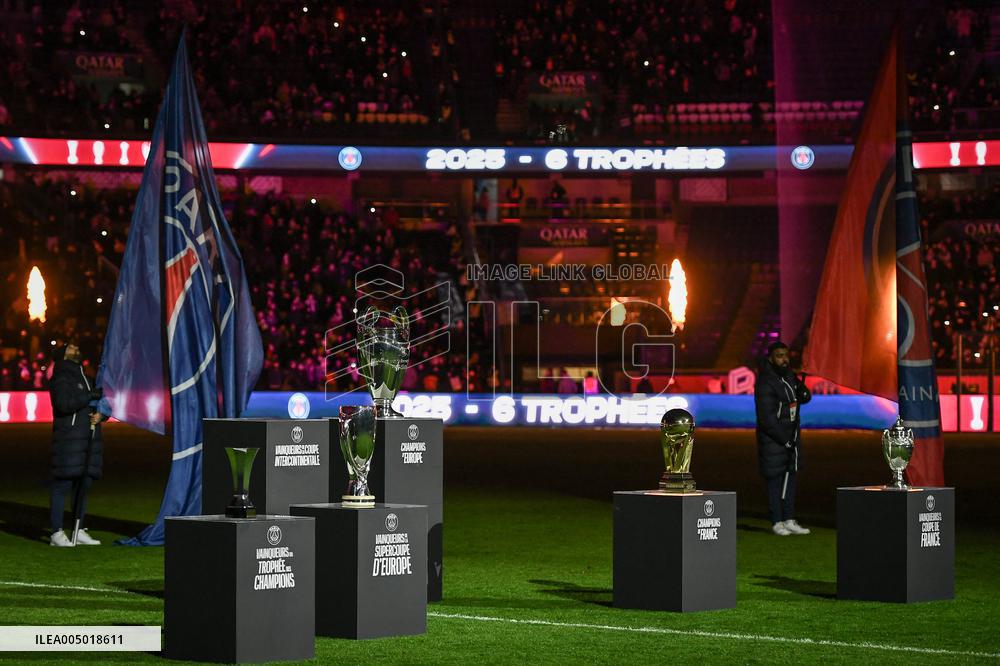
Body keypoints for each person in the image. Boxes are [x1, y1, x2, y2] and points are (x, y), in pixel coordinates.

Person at [48, 343, 107, 547]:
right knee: (62, 484)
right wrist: (89, 396)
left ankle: (78, 528)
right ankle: (56, 532)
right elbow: (64, 404)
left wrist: (102, 415)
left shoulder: (85, 376)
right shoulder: (61, 377)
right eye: (71, 348)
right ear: (63, 355)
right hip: (69, 440)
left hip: (86, 440)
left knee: (83, 484)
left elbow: (98, 402)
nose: (76, 349)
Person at [754, 341, 811, 536]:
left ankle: (789, 518)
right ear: (771, 358)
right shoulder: (765, 381)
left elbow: (799, 397)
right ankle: (777, 521)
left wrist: (804, 393)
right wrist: (783, 438)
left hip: (791, 437)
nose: (784, 359)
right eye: (779, 356)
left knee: (790, 477)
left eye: (786, 355)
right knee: (775, 480)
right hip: (775, 441)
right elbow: (766, 418)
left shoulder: (788, 376)